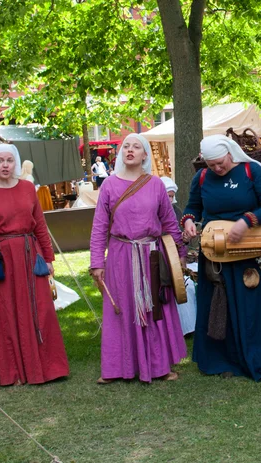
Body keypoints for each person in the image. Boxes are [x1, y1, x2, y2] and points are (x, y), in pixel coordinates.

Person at [182, 134, 261, 381]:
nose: (218, 169)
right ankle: (226, 360)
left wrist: (246, 221)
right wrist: (188, 220)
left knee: (255, 304)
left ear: (230, 153)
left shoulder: (252, 171)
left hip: (252, 249)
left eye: (221, 163)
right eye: (212, 166)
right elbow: (193, 207)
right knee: (223, 305)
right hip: (217, 252)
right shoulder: (200, 178)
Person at [90, 133, 188, 383]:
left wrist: (180, 256)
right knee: (120, 309)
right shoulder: (109, 185)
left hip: (151, 256)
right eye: (126, 146)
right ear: (121, 152)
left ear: (145, 155)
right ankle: (115, 369)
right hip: (120, 257)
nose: (130, 150)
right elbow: (100, 227)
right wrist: (96, 263)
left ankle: (159, 367)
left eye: (137, 146)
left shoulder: (155, 185)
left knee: (153, 308)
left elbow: (169, 223)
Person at [0, 144, 69, 386]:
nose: (5, 165)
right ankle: (12, 372)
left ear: (15, 163)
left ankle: (47, 368)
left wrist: (48, 259)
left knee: (41, 309)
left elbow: (40, 226)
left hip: (30, 255)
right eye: (0, 161)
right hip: (2, 259)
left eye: (9, 160)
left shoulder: (27, 188)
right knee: (7, 312)